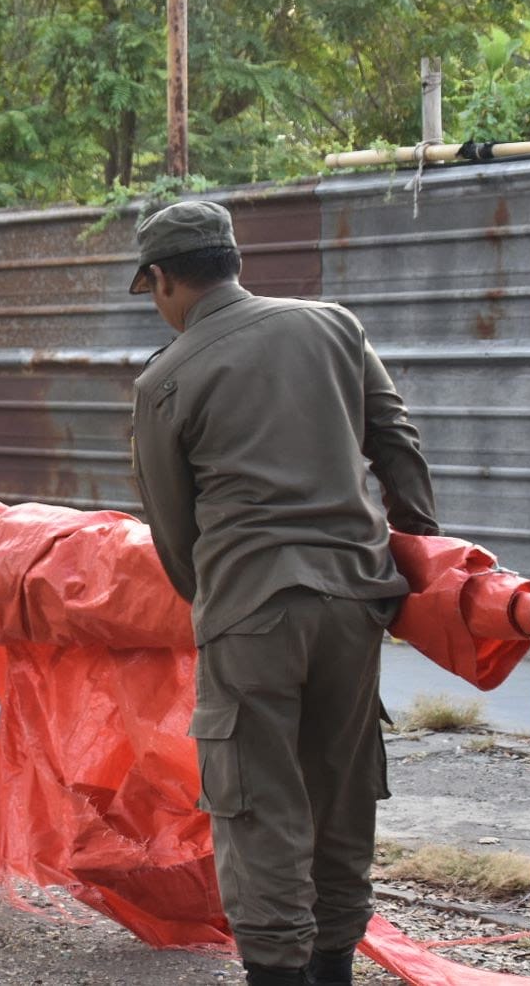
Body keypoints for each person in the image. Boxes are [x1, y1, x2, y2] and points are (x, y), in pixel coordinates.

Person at [127, 201, 440, 986]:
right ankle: (333, 964)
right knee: (341, 791)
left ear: (164, 281)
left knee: (256, 804)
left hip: (249, 609)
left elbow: (174, 530)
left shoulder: (165, 378)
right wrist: (417, 564)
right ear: (233, 261)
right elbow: (397, 444)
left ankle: (275, 971)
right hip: (356, 599)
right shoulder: (333, 325)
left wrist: (223, 604)